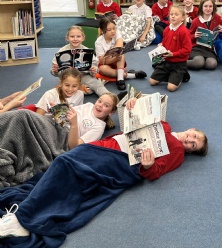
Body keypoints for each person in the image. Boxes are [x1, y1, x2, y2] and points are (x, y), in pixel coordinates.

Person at [0, 97, 208, 245]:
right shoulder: (164, 124)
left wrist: (149, 165)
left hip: (123, 161)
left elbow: (157, 171)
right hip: (104, 146)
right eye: (195, 137)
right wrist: (133, 105)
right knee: (54, 170)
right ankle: (28, 210)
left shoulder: (177, 150)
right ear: (192, 129)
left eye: (194, 146)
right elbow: (135, 122)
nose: (190, 141)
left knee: (65, 163)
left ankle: (22, 219)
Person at [51, 25, 110, 96]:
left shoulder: (87, 51)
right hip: (67, 78)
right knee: (62, 90)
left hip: (83, 75)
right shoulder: (62, 51)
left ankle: (108, 96)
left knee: (97, 84)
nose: (75, 39)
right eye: (72, 36)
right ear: (67, 38)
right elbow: (54, 71)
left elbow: (95, 67)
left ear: (83, 38)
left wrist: (93, 70)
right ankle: (82, 89)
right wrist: (55, 70)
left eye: (78, 36)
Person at [95, 18, 147, 91]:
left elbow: (119, 46)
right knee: (102, 69)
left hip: (119, 62)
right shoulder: (98, 42)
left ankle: (120, 79)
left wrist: (115, 56)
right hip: (107, 63)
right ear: (103, 31)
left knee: (121, 54)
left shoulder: (117, 34)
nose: (113, 31)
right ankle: (131, 75)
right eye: (109, 30)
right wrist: (113, 59)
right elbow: (102, 61)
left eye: (114, 28)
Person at [149, 5, 192, 91]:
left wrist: (173, 54)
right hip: (166, 61)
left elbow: (187, 49)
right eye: (171, 14)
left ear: (183, 18)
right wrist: (161, 45)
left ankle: (182, 74)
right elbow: (165, 42)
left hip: (179, 64)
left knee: (171, 88)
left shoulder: (184, 31)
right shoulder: (167, 29)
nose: (173, 16)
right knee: (152, 81)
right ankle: (171, 76)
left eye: (176, 14)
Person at [187, 0, 222, 70]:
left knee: (212, 64)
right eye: (205, 6)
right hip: (197, 48)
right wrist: (194, 36)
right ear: (201, 7)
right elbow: (188, 36)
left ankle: (200, 64)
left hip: (209, 49)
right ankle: (179, 64)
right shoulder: (195, 21)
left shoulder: (216, 17)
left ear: (213, 7)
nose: (208, 9)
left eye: (210, 6)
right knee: (199, 62)